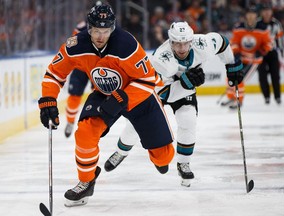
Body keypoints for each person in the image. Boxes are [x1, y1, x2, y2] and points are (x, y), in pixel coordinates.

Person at [38, 4, 175, 207]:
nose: (101, 36)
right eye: (96, 31)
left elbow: (148, 80)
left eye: (105, 31)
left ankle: (146, 144)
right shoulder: (75, 45)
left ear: (112, 28)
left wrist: (120, 99)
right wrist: (48, 100)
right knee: (84, 134)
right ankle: (86, 181)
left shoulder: (126, 44)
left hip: (139, 96)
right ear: (89, 28)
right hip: (104, 94)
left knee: (163, 159)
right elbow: (54, 73)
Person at [104, 21, 245, 187]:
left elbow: (221, 42)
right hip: (158, 90)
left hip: (184, 89)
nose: (182, 48)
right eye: (177, 43)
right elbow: (159, 92)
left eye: (185, 43)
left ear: (191, 41)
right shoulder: (160, 60)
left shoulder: (203, 44)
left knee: (188, 120)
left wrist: (230, 64)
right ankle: (121, 152)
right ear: (170, 42)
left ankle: (183, 163)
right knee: (137, 125)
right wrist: (184, 83)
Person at [220, 6, 272, 109]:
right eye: (249, 13)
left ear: (257, 16)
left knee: (240, 79)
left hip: (254, 61)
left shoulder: (263, 28)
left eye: (253, 14)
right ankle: (231, 97)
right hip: (241, 59)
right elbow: (233, 42)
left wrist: (261, 51)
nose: (251, 16)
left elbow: (269, 43)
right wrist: (236, 52)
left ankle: (239, 101)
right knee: (230, 76)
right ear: (245, 16)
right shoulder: (239, 27)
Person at [64, 20, 92, 138]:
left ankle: (93, 125)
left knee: (99, 95)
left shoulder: (112, 27)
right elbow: (71, 43)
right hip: (80, 66)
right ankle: (70, 121)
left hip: (99, 65)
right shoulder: (81, 27)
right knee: (74, 95)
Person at [257, 3, 284, 104]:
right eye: (264, 11)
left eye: (268, 11)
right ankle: (266, 97)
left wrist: (282, 51)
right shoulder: (257, 24)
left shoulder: (276, 24)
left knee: (275, 75)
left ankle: (277, 97)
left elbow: (280, 38)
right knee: (262, 76)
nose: (267, 13)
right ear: (261, 12)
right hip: (260, 53)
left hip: (272, 53)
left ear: (271, 12)